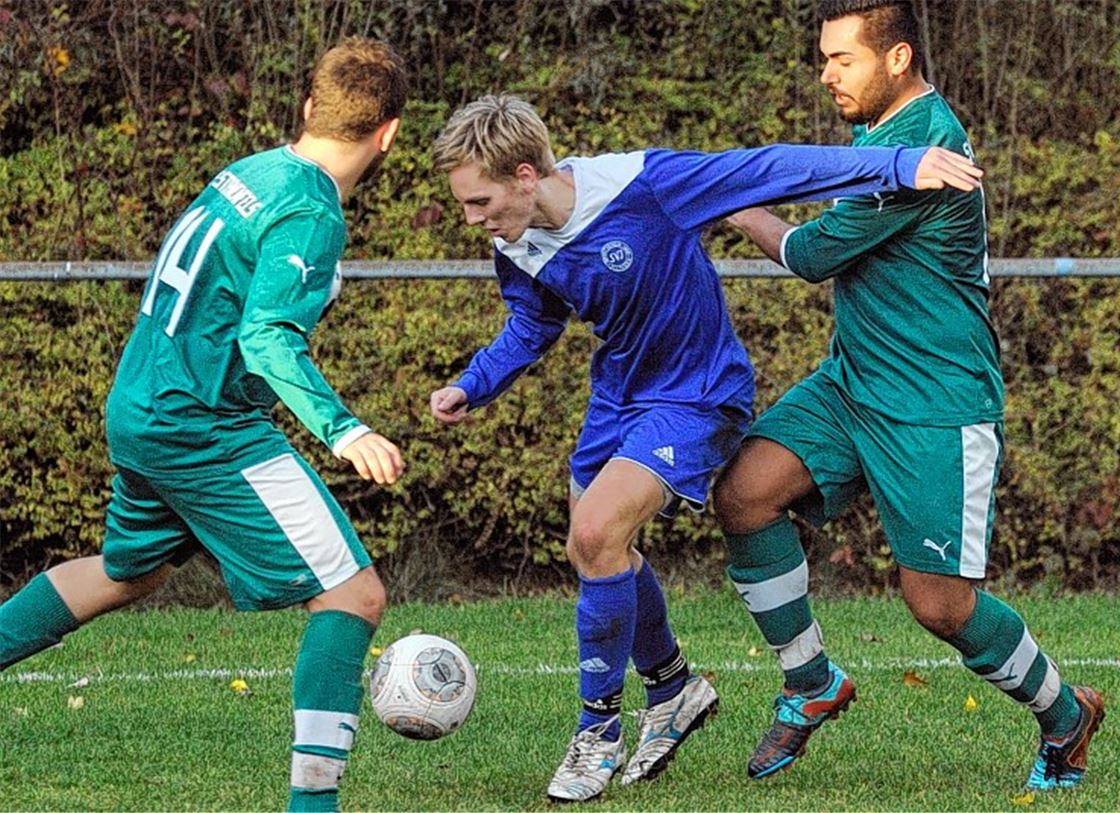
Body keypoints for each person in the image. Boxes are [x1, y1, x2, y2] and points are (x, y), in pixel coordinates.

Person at [428, 93, 981, 802]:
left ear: (527, 174)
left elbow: (769, 170)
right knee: (595, 547)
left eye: (479, 201)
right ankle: (673, 687)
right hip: (618, 396)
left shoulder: (644, 186)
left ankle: (597, 731)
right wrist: (474, 385)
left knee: (597, 531)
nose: (473, 219)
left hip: (697, 392)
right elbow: (534, 325)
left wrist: (898, 162)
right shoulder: (516, 243)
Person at [0, 38, 408, 813]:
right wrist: (343, 427)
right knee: (354, 596)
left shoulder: (250, 173)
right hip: (203, 426)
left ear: (308, 108)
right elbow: (266, 337)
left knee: (128, 572)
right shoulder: (309, 208)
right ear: (387, 133)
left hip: (142, 405)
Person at [713, 0, 1104, 791]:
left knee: (941, 607)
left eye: (842, 60)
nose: (826, 74)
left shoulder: (924, 142)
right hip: (852, 383)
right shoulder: (877, 136)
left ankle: (1067, 714)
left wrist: (725, 198)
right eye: (822, 58)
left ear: (897, 59)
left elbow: (811, 252)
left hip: (935, 404)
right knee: (744, 494)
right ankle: (810, 682)